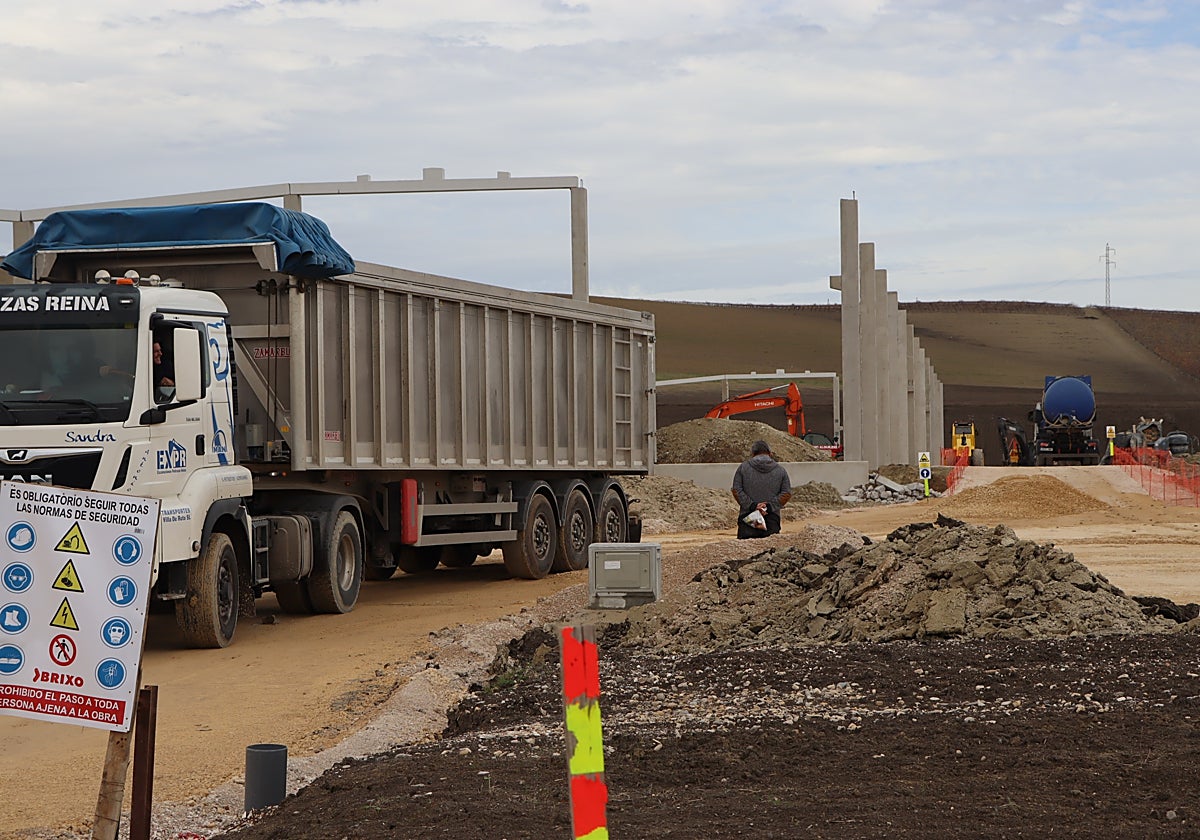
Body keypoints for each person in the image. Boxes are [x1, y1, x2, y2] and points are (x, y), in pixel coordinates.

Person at [731, 440, 792, 539]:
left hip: (747, 519)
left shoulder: (743, 468)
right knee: (769, 548)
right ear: (770, 453)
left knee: (746, 548)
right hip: (771, 519)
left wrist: (753, 506)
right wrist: (768, 507)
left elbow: (736, 490)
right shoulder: (781, 470)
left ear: (753, 453)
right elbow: (786, 493)